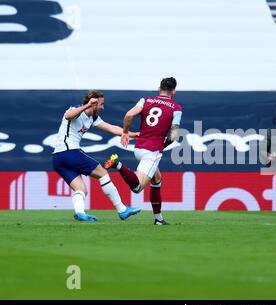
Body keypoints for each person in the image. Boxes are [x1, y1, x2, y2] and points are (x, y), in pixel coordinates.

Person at [52, 90, 141, 222]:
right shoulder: (77, 109)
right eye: (101, 104)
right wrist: (87, 105)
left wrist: (132, 134)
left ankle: (80, 213)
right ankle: (122, 210)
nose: (102, 107)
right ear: (93, 104)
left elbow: (110, 127)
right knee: (103, 173)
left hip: (58, 158)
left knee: (81, 189)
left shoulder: (92, 118)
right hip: (69, 152)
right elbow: (68, 116)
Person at [104, 77, 182, 225]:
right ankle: (117, 164)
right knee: (138, 187)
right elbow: (173, 134)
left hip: (139, 147)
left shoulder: (145, 100)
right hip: (152, 151)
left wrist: (125, 132)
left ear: (159, 88)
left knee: (157, 179)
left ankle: (158, 219)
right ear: (174, 91)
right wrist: (162, 145)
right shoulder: (176, 108)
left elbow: (129, 115)